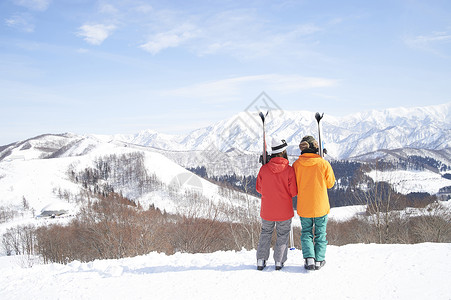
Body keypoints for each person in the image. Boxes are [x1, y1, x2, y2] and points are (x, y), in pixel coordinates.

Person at [292, 135, 335, 270]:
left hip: (304, 206)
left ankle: (309, 259)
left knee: (306, 232)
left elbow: (294, 186)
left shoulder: (296, 165)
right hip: (321, 206)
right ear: (315, 147)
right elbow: (330, 184)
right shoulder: (323, 164)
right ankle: (319, 260)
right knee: (320, 234)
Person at [255, 137, 298, 271]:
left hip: (267, 210)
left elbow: (259, 189)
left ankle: (261, 260)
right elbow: (293, 192)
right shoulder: (289, 170)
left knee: (265, 233)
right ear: (283, 152)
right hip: (284, 210)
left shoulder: (264, 169)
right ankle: (279, 261)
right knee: (283, 235)